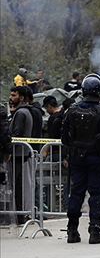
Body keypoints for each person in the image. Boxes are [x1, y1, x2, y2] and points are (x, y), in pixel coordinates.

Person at [62, 73, 100, 244]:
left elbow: (64, 138)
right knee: (96, 195)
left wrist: (73, 150)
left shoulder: (71, 110)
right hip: (97, 159)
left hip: (77, 158)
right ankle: (95, 230)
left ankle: (72, 230)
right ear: (99, 91)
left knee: (76, 193)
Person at [9, 86, 35, 224]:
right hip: (22, 154)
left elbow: (16, 134)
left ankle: (19, 216)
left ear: (22, 98)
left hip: (18, 155)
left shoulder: (21, 114)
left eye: (14, 95)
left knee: (17, 187)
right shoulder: (25, 112)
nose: (11, 98)